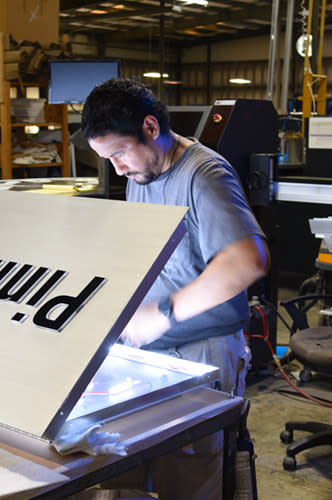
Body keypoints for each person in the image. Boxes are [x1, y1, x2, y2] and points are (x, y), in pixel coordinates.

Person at [81, 78, 270, 500]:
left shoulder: (204, 175)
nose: (117, 169)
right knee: (127, 470)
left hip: (201, 353)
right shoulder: (140, 174)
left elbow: (248, 258)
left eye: (118, 153)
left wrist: (162, 314)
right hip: (150, 354)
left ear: (150, 128)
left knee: (191, 478)